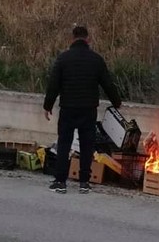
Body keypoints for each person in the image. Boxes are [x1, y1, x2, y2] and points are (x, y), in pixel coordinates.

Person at [43, 25, 121, 194]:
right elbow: (107, 83)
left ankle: (60, 182)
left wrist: (47, 106)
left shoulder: (63, 59)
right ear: (88, 39)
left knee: (64, 144)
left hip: (68, 108)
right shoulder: (96, 60)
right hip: (88, 109)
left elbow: (53, 85)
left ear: (72, 39)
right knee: (87, 145)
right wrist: (117, 102)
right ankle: (84, 182)